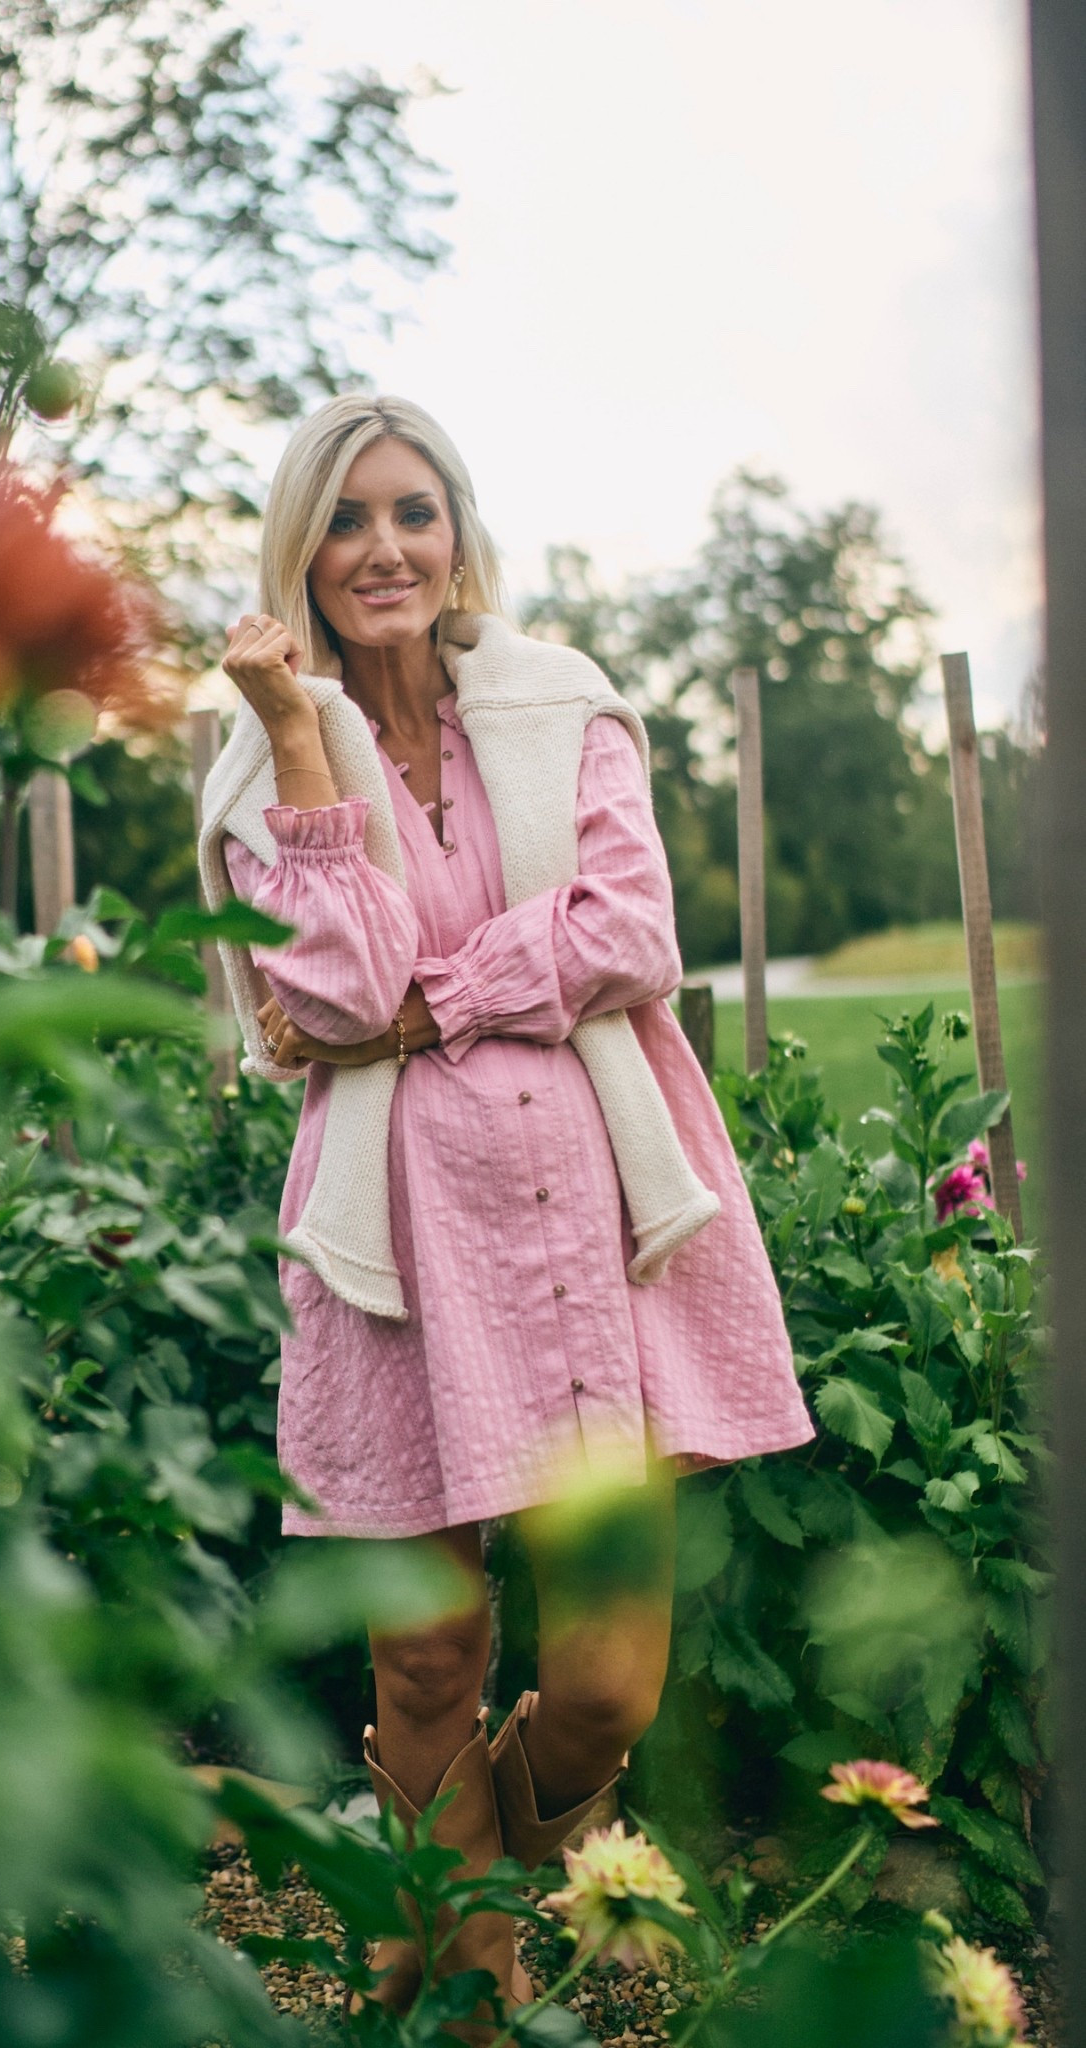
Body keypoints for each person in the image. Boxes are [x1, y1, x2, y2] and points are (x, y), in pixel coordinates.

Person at [199, 395, 813, 2029]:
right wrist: (308, 738)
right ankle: (458, 1987)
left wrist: (434, 997)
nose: (383, 548)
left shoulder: (561, 706)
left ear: (456, 531)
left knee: (605, 1689)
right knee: (424, 1663)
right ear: (302, 557)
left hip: (587, 1228)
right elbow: (330, 991)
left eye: (411, 511)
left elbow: (629, 934)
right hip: (386, 1244)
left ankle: (453, 1893)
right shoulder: (263, 755)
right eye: (344, 521)